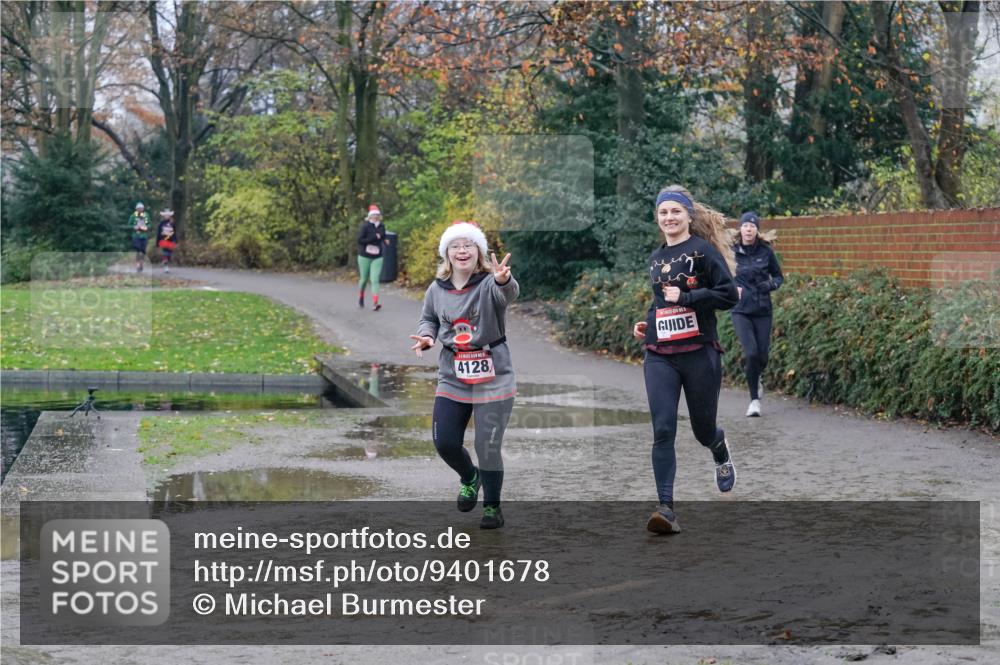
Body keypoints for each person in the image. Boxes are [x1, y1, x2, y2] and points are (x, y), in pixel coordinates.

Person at [631, 185, 739, 535]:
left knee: (701, 429)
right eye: (663, 213)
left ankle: (719, 448)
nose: (669, 218)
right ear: (657, 218)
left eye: (675, 212)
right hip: (661, 355)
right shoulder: (655, 258)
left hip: (699, 353)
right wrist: (649, 325)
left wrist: (690, 296)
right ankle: (666, 508)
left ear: (688, 215)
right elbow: (661, 303)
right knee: (662, 428)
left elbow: (728, 296)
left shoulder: (704, 252)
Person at [409, 221, 518, 529]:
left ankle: (492, 508)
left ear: (478, 251)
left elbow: (506, 294)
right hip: (453, 374)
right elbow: (428, 318)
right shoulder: (436, 288)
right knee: (444, 441)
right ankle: (470, 477)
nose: (462, 251)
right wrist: (427, 337)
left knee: (488, 445)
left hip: (493, 374)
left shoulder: (489, 283)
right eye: (455, 246)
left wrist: (503, 280)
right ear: (447, 253)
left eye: (468, 245)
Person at [731, 211, 783, 418]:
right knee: (751, 353)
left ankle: (757, 376)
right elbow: (723, 275)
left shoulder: (766, 252)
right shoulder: (732, 252)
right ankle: (754, 400)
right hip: (741, 310)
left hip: (762, 310)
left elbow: (779, 277)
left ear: (757, 230)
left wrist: (769, 285)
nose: (749, 229)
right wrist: (732, 288)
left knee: (762, 356)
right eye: (745, 226)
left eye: (752, 226)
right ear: (740, 229)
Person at [357, 205, 389, 311]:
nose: (376, 216)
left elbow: (383, 235)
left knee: (375, 279)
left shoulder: (381, 226)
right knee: (364, 280)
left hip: (377, 256)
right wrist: (374, 237)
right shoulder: (365, 226)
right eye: (374, 215)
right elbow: (360, 240)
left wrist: (385, 239)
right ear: (370, 216)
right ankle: (361, 296)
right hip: (364, 256)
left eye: (377, 215)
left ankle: (375, 303)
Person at [128, 202, 149, 272]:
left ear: (143, 209)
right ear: (136, 209)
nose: (140, 210)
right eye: (139, 209)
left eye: (141, 209)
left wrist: (146, 227)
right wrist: (134, 227)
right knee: (138, 250)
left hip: (144, 236)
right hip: (136, 236)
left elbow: (149, 224)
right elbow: (129, 225)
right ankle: (137, 264)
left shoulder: (146, 215)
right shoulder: (133, 216)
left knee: (143, 250)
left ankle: (141, 264)